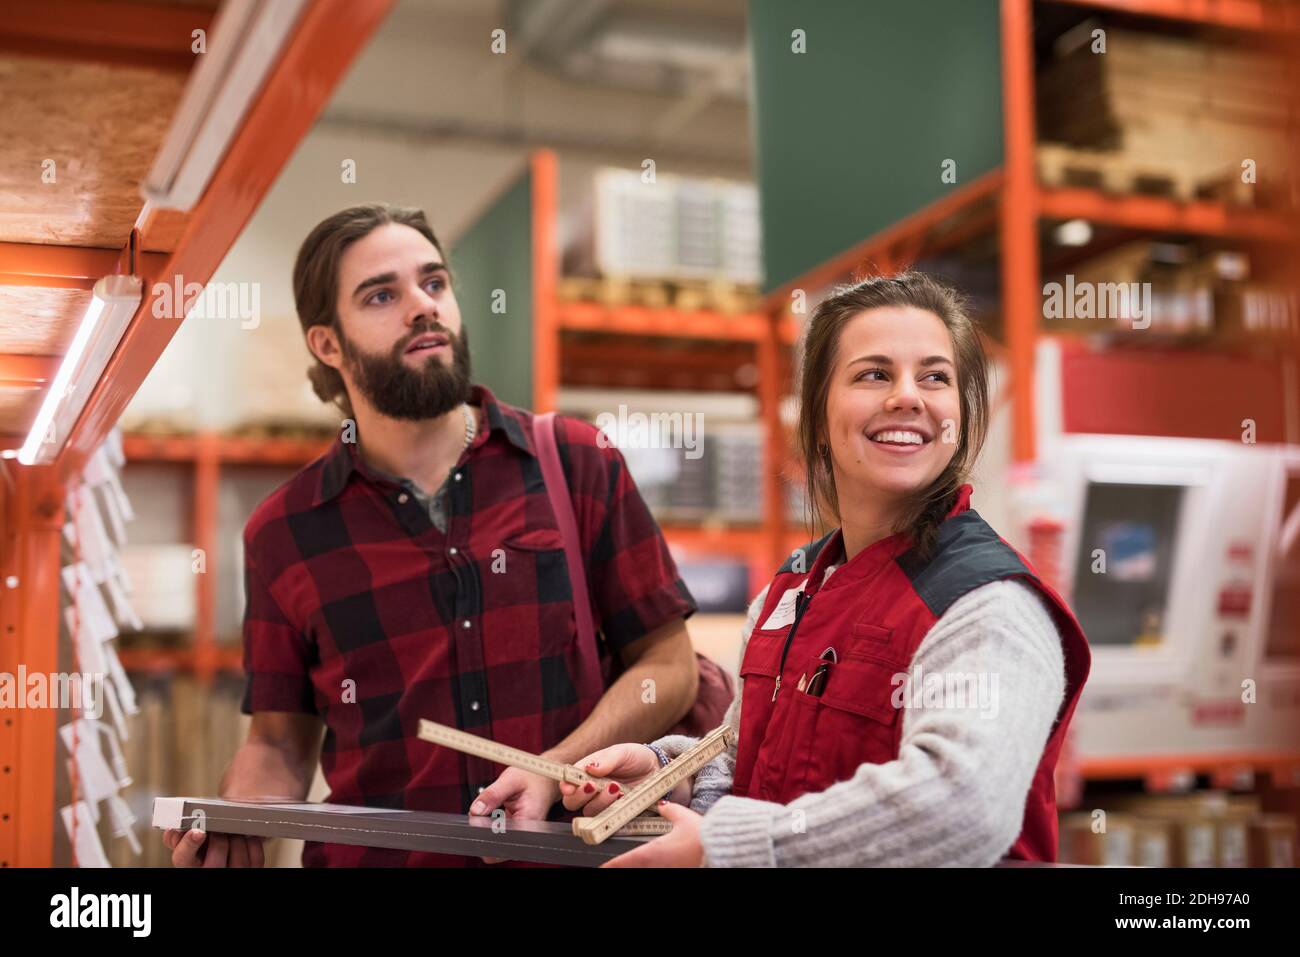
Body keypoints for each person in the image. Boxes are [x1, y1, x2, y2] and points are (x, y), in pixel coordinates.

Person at [164, 204, 702, 866]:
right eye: (382, 294)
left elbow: (668, 667)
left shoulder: (574, 461)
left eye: (434, 283)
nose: (422, 306)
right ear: (328, 344)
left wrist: (553, 768)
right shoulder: (285, 531)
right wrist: (229, 822)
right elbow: (279, 741)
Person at [561, 273, 1091, 867]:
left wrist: (730, 845)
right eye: (874, 374)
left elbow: (958, 805)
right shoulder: (788, 592)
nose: (908, 396)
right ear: (817, 416)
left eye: (935, 377)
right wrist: (668, 774)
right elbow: (752, 756)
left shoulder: (987, 606)